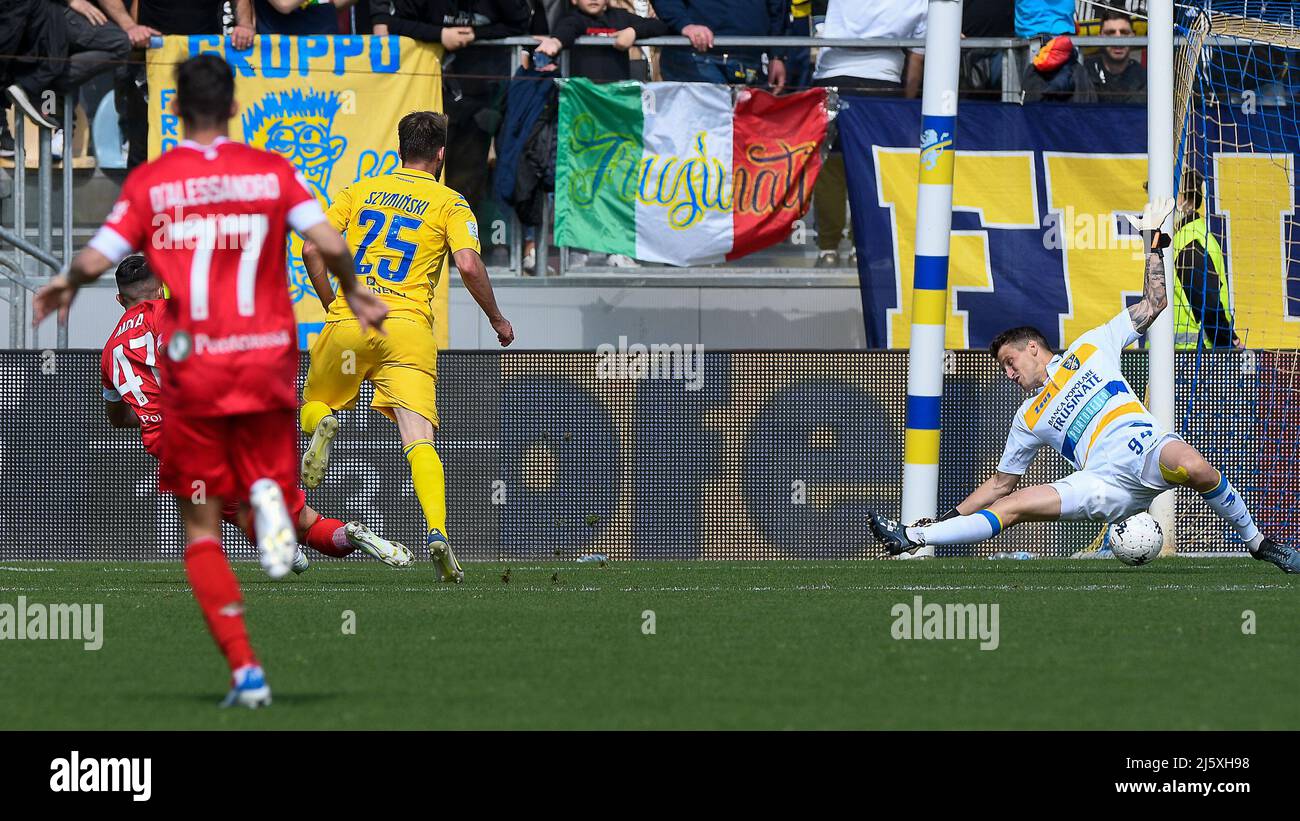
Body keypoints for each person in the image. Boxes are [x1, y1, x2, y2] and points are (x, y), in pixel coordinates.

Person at [34, 53, 390, 708]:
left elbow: (99, 253)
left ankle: (247, 672)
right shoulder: (271, 172)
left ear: (172, 111)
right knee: (267, 470)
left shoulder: (154, 182)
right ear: (233, 107)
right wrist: (357, 290)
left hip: (197, 362)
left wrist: (63, 283)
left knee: (201, 530)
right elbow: (328, 242)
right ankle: (270, 505)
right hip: (268, 353)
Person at [867, 200, 1300, 574]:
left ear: (1033, 348)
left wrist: (1154, 248)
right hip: (1100, 484)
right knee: (1013, 506)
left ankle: (1260, 544)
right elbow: (999, 484)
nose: (1008, 374)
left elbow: (1155, 303)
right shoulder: (1027, 417)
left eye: (1010, 363)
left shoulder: (1090, 346)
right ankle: (916, 538)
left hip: (1144, 451)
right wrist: (944, 519)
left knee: (1197, 467)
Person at [299, 110, 515, 585]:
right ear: (440, 155)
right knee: (418, 438)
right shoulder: (451, 203)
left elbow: (312, 249)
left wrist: (331, 301)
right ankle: (437, 530)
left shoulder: (360, 190)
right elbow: (469, 265)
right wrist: (497, 319)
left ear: (401, 149)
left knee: (315, 402)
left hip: (353, 316)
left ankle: (326, 423)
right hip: (409, 330)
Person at [100, 255, 413, 574]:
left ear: (120, 299)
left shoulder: (110, 351)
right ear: (161, 289)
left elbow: (119, 417)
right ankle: (339, 532)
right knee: (301, 520)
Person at [371, 1, 533, 217]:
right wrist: (440, 34)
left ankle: (465, 239)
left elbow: (520, 24)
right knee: (424, 171)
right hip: (429, 94)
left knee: (468, 180)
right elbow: (395, 23)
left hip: (481, 96)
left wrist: (477, 34)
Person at [811, 0, 926, 268]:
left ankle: (827, 248)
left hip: (831, 76)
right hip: (883, 81)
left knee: (830, 167)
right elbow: (917, 59)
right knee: (871, 169)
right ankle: (860, 246)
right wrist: (905, 102)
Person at [1170, 169, 1241, 349]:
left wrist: (1229, 342)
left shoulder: (1189, 242)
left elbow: (1209, 305)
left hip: (1192, 362)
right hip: (1183, 359)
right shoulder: (1183, 238)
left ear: (1184, 200)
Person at [653, 0, 789, 92]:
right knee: (705, 130)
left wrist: (776, 54)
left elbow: (779, 7)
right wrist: (684, 24)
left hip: (750, 61)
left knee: (743, 130)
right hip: (695, 56)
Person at [533, 0, 668, 83]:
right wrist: (556, 42)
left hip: (616, 95)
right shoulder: (573, 18)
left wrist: (634, 32)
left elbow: (659, 26)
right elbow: (567, 29)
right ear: (573, 0)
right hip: (583, 96)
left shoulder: (620, 17)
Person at [1084, 10, 1146, 104]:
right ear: (1099, 38)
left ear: (1133, 37)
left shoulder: (1145, 79)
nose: (1118, 39)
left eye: (1124, 32)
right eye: (1110, 33)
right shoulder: (1083, 74)